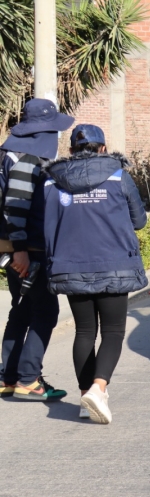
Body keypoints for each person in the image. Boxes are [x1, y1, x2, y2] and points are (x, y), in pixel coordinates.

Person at [43, 125, 148, 423]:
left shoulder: (52, 181)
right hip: (114, 263)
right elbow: (138, 221)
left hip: (71, 265)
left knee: (84, 331)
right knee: (113, 332)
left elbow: (46, 225)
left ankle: (84, 397)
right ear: (103, 147)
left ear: (72, 150)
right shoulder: (117, 176)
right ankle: (98, 388)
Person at [0, 99, 73, 401]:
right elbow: (15, 207)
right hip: (28, 249)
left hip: (13, 246)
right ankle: (29, 379)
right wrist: (20, 251)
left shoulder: (9, 154)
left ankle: (8, 376)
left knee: (23, 308)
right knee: (45, 310)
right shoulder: (28, 159)